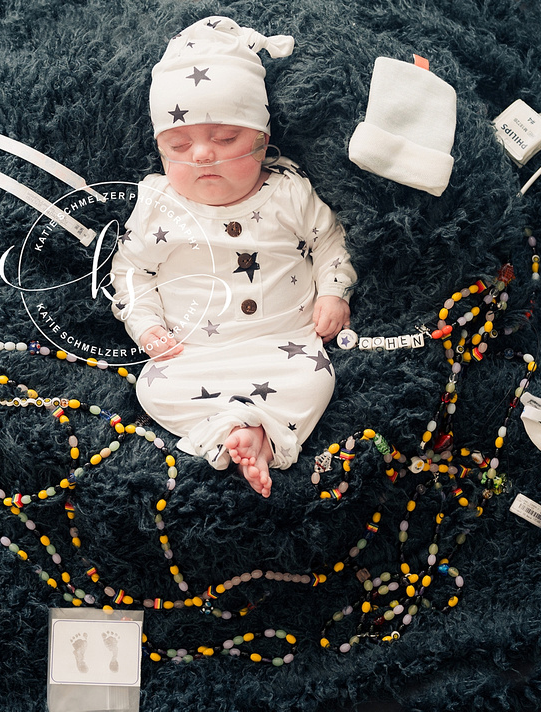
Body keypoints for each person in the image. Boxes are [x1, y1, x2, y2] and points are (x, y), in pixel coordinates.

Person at [109, 16, 355, 497]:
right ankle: (232, 432)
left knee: (316, 381)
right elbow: (131, 270)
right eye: (178, 146)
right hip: (192, 355)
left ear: (262, 141)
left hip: (285, 346)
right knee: (152, 388)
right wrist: (145, 326)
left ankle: (257, 433)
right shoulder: (160, 204)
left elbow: (331, 240)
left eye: (224, 140)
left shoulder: (287, 193)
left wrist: (334, 289)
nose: (201, 155)